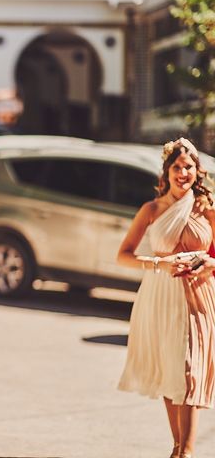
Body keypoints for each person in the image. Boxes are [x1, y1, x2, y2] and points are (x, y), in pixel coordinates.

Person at [116, 137, 215, 458]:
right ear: (167, 171)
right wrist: (160, 262)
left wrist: (210, 263)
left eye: (189, 167)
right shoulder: (152, 209)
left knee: (189, 370)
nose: (183, 173)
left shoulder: (207, 209)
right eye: (177, 167)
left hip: (198, 296)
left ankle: (185, 452)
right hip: (160, 294)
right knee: (171, 370)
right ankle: (177, 447)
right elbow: (124, 256)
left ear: (197, 172)